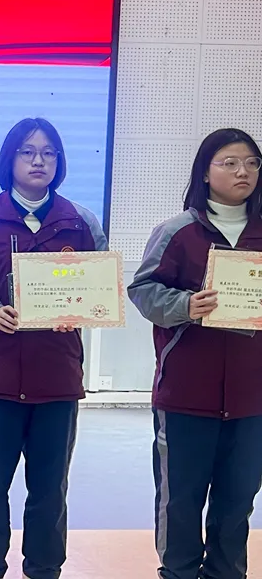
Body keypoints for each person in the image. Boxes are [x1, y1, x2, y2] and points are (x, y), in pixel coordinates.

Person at [0, 118, 107, 579]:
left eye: (49, 152)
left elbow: (103, 288)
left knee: (50, 489)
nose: (39, 161)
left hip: (58, 379)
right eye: (28, 152)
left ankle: (45, 569)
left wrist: (83, 309)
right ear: (9, 159)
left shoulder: (80, 222)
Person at [128, 128, 262, 579]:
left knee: (237, 502)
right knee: (180, 502)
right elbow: (143, 290)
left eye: (252, 163)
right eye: (230, 162)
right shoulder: (178, 232)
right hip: (186, 394)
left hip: (252, 399)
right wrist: (185, 305)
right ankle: (178, 572)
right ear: (205, 172)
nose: (243, 171)